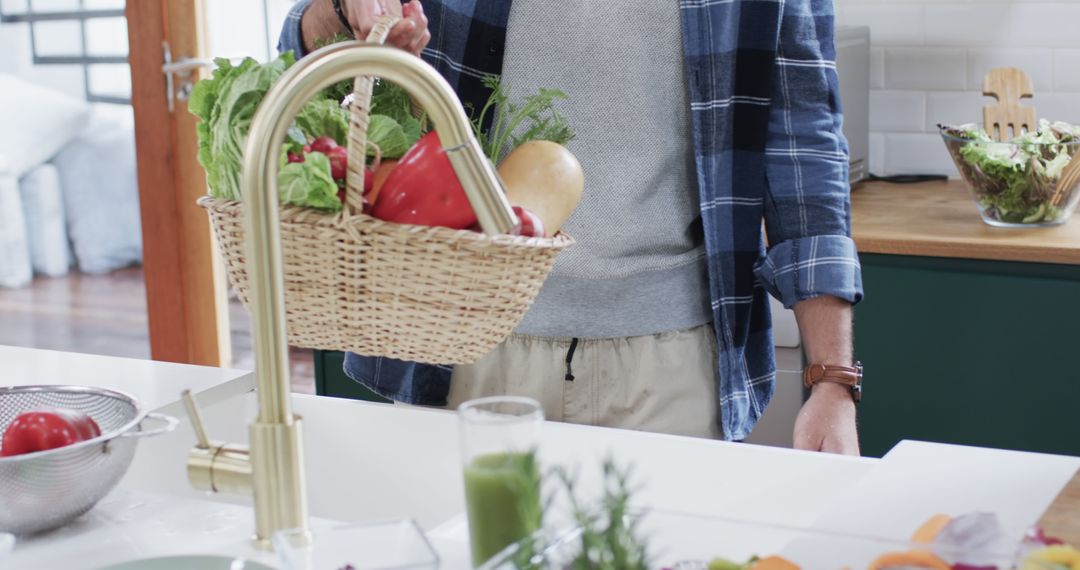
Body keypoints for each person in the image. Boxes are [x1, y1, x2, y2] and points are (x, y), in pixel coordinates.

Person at [279, 0, 864, 454]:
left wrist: (832, 381)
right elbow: (301, 55)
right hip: (467, 341)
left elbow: (802, 148)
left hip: (671, 366)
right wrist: (341, 9)